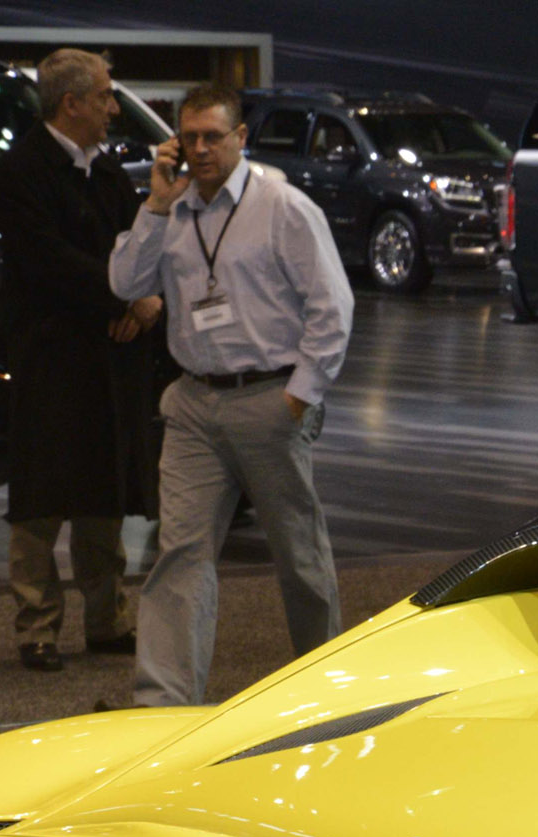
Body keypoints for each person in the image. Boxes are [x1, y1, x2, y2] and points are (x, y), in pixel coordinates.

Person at [107, 83, 353, 709]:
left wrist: (300, 395)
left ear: (241, 138)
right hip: (193, 405)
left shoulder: (283, 207)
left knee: (298, 556)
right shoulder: (173, 209)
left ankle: (326, 689)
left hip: (269, 398)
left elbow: (333, 306)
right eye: (188, 138)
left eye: (213, 136)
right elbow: (125, 280)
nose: (199, 149)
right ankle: (162, 703)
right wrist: (156, 207)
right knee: (179, 554)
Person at [0, 48, 161, 672]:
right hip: (50, 357)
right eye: (107, 96)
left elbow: (134, 251)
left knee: (102, 490)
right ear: (72, 103)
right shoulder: (21, 173)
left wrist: (136, 302)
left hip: (107, 355)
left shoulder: (108, 175)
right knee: (42, 496)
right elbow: (46, 262)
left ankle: (107, 620)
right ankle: (37, 627)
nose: (114, 109)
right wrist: (124, 298)